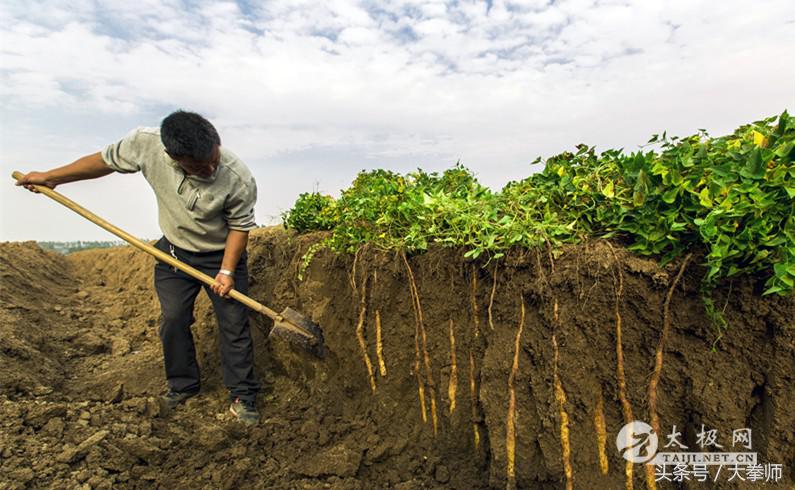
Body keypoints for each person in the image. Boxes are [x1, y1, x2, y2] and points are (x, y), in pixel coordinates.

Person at [16, 110, 261, 424]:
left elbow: (240, 227)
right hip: (174, 254)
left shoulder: (237, 176)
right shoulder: (144, 144)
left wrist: (226, 271)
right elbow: (103, 161)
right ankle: (183, 386)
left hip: (221, 254)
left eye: (214, 158)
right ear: (174, 157)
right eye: (201, 166)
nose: (212, 168)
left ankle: (244, 397)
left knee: (233, 324)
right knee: (173, 319)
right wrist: (53, 177)